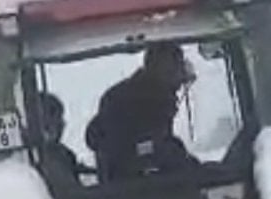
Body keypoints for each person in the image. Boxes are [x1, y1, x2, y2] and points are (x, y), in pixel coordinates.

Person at [85, 43, 199, 181]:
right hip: (129, 192)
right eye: (175, 70)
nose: (179, 83)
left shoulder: (144, 99)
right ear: (162, 70)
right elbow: (141, 152)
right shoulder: (136, 103)